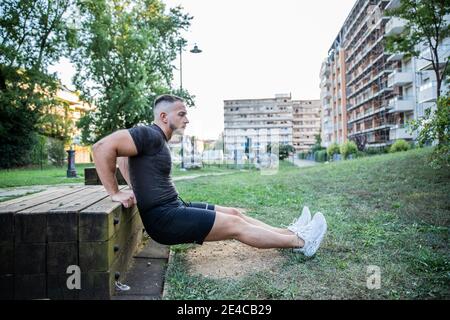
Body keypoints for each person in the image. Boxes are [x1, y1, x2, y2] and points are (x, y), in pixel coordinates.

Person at [92, 94, 327, 257]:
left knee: (233, 213)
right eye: (181, 114)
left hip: (173, 208)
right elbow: (102, 148)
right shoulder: (149, 134)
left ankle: (291, 233)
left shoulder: (153, 139)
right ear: (164, 117)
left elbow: (123, 157)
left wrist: (134, 186)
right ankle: (302, 242)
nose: (187, 119)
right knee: (235, 225)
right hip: (164, 219)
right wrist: (114, 192)